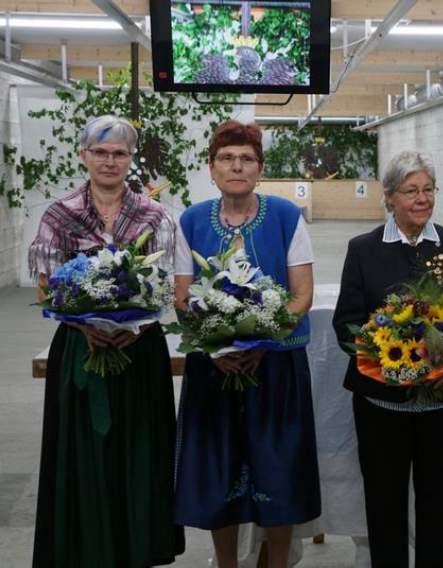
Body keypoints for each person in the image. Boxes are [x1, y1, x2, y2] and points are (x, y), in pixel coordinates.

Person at [28, 115, 185, 567]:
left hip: (140, 349)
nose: (110, 160)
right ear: (84, 155)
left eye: (119, 152)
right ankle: (85, 549)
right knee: (84, 457)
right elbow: (47, 289)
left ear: (130, 158)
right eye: (100, 151)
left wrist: (130, 327)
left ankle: (137, 550)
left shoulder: (155, 215)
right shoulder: (60, 214)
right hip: (82, 349)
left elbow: (166, 291)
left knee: (138, 454)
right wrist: (88, 327)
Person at [173, 120, 320, 568]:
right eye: (226, 158)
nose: (237, 166)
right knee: (219, 475)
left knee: (278, 472)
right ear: (212, 168)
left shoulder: (285, 216)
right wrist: (217, 346)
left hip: (274, 369)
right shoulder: (192, 220)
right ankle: (228, 565)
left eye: (247, 159)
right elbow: (182, 297)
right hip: (213, 370)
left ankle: (276, 563)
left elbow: (302, 295)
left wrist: (263, 340)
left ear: (260, 167)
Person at [332, 150, 443, 568]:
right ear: (389, 198)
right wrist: (387, 360)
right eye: (411, 191)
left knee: (436, 501)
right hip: (381, 402)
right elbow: (346, 322)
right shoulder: (362, 250)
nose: (422, 199)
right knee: (384, 502)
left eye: (428, 189)